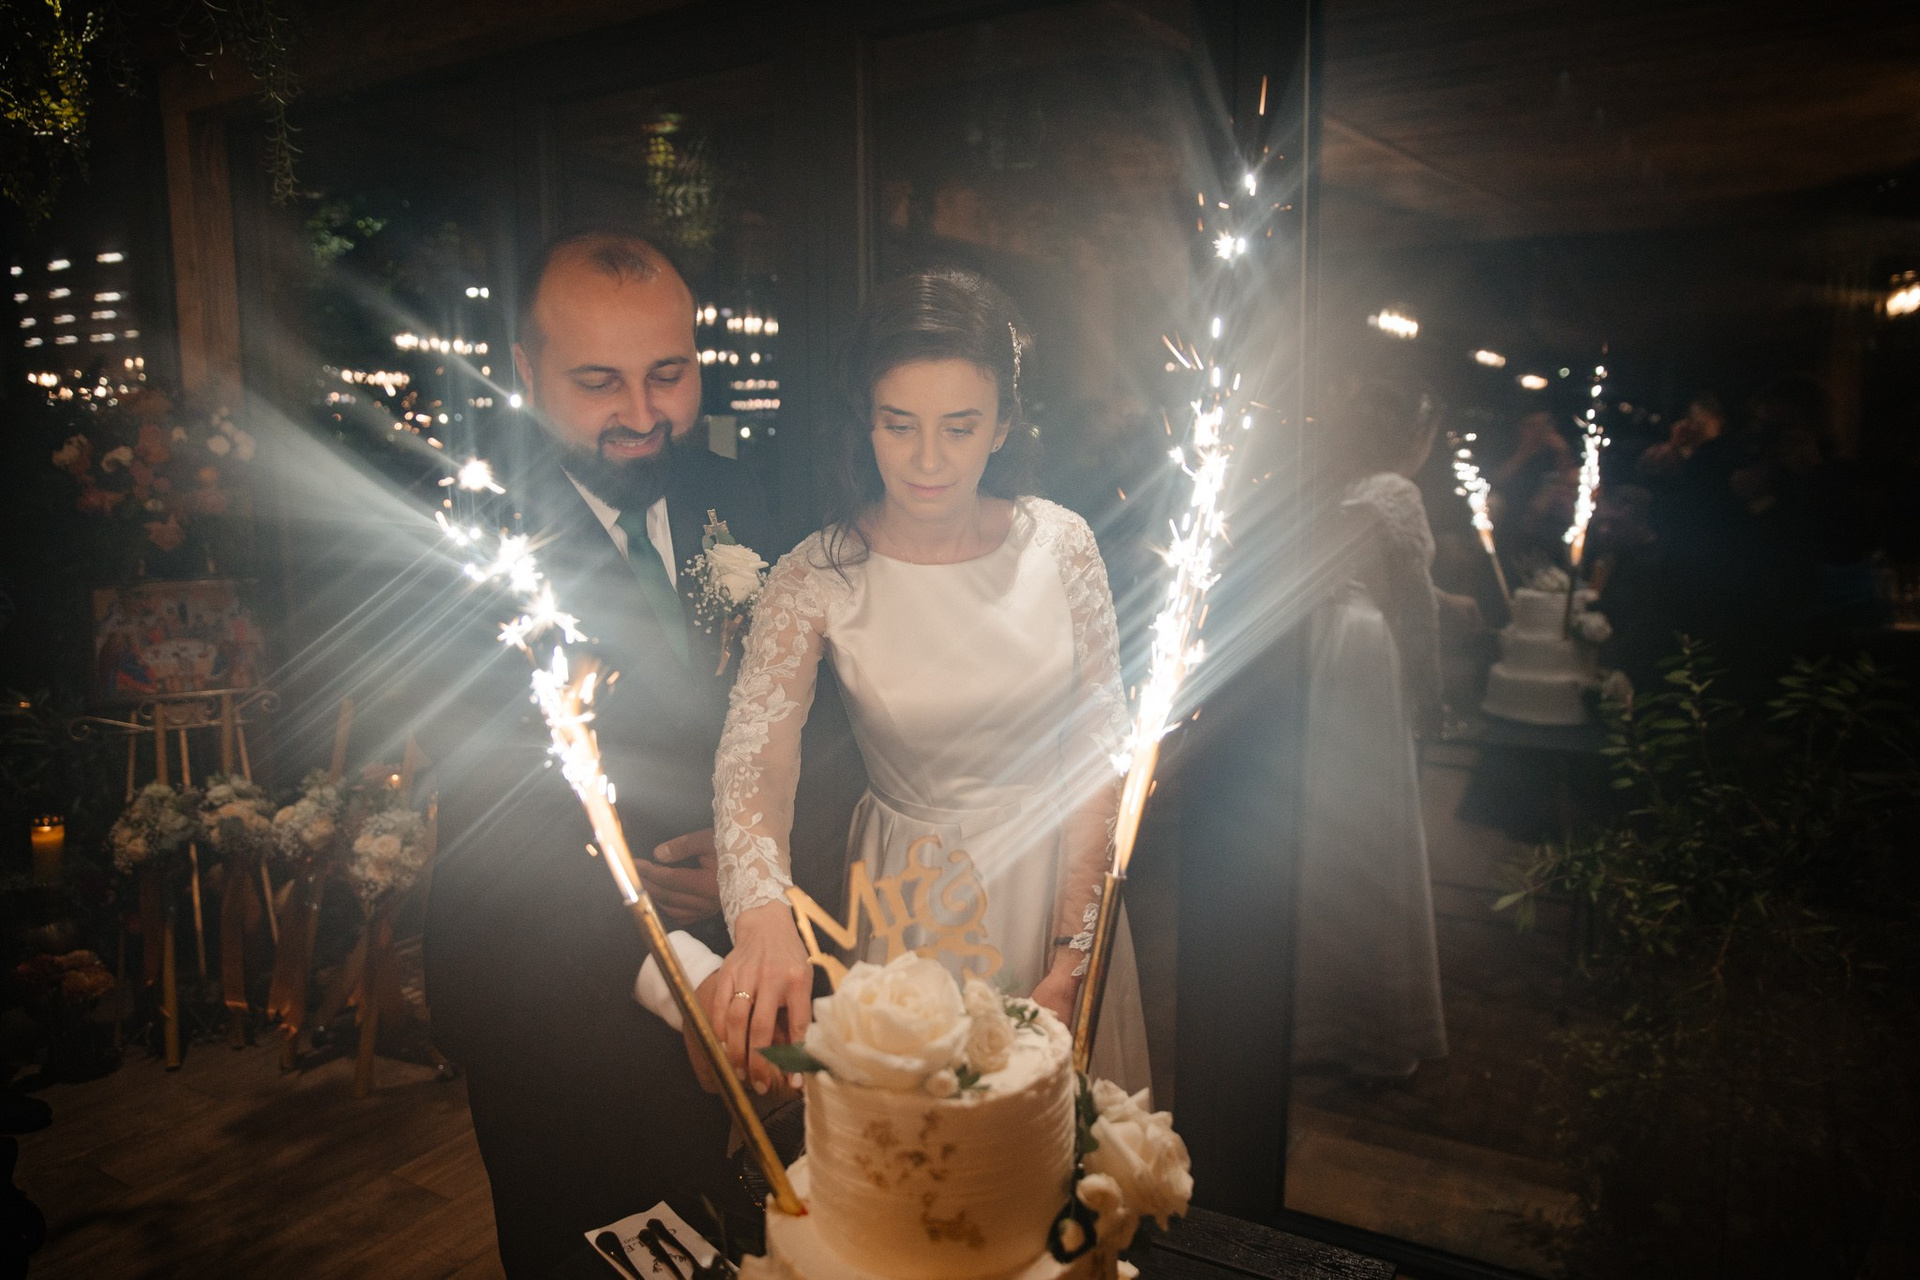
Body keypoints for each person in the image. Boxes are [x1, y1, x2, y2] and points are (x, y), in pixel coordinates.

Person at [423, 230, 781, 1277]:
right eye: (598, 382)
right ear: (526, 372)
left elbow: (828, 725)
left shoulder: (760, 503)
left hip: (769, 982)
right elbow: (496, 821)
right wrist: (690, 982)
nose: (641, 412)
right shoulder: (460, 548)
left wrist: (759, 860)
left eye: (668, 373)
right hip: (562, 1007)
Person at [703, 268, 1152, 1097]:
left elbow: (1101, 749)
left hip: (1061, 881)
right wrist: (763, 913)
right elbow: (754, 760)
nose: (929, 460)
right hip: (906, 900)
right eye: (899, 425)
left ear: (1003, 425)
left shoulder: (1062, 546)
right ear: (866, 422)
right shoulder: (816, 574)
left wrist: (1073, 955)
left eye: (960, 426)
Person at [1293, 378, 1457, 1080]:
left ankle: (1311, 1014)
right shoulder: (1397, 492)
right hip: (1365, 654)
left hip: (1321, 641)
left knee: (1323, 822)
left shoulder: (1338, 483)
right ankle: (1369, 1025)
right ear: (1414, 435)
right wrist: (1432, 692)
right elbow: (1413, 604)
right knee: (1371, 825)